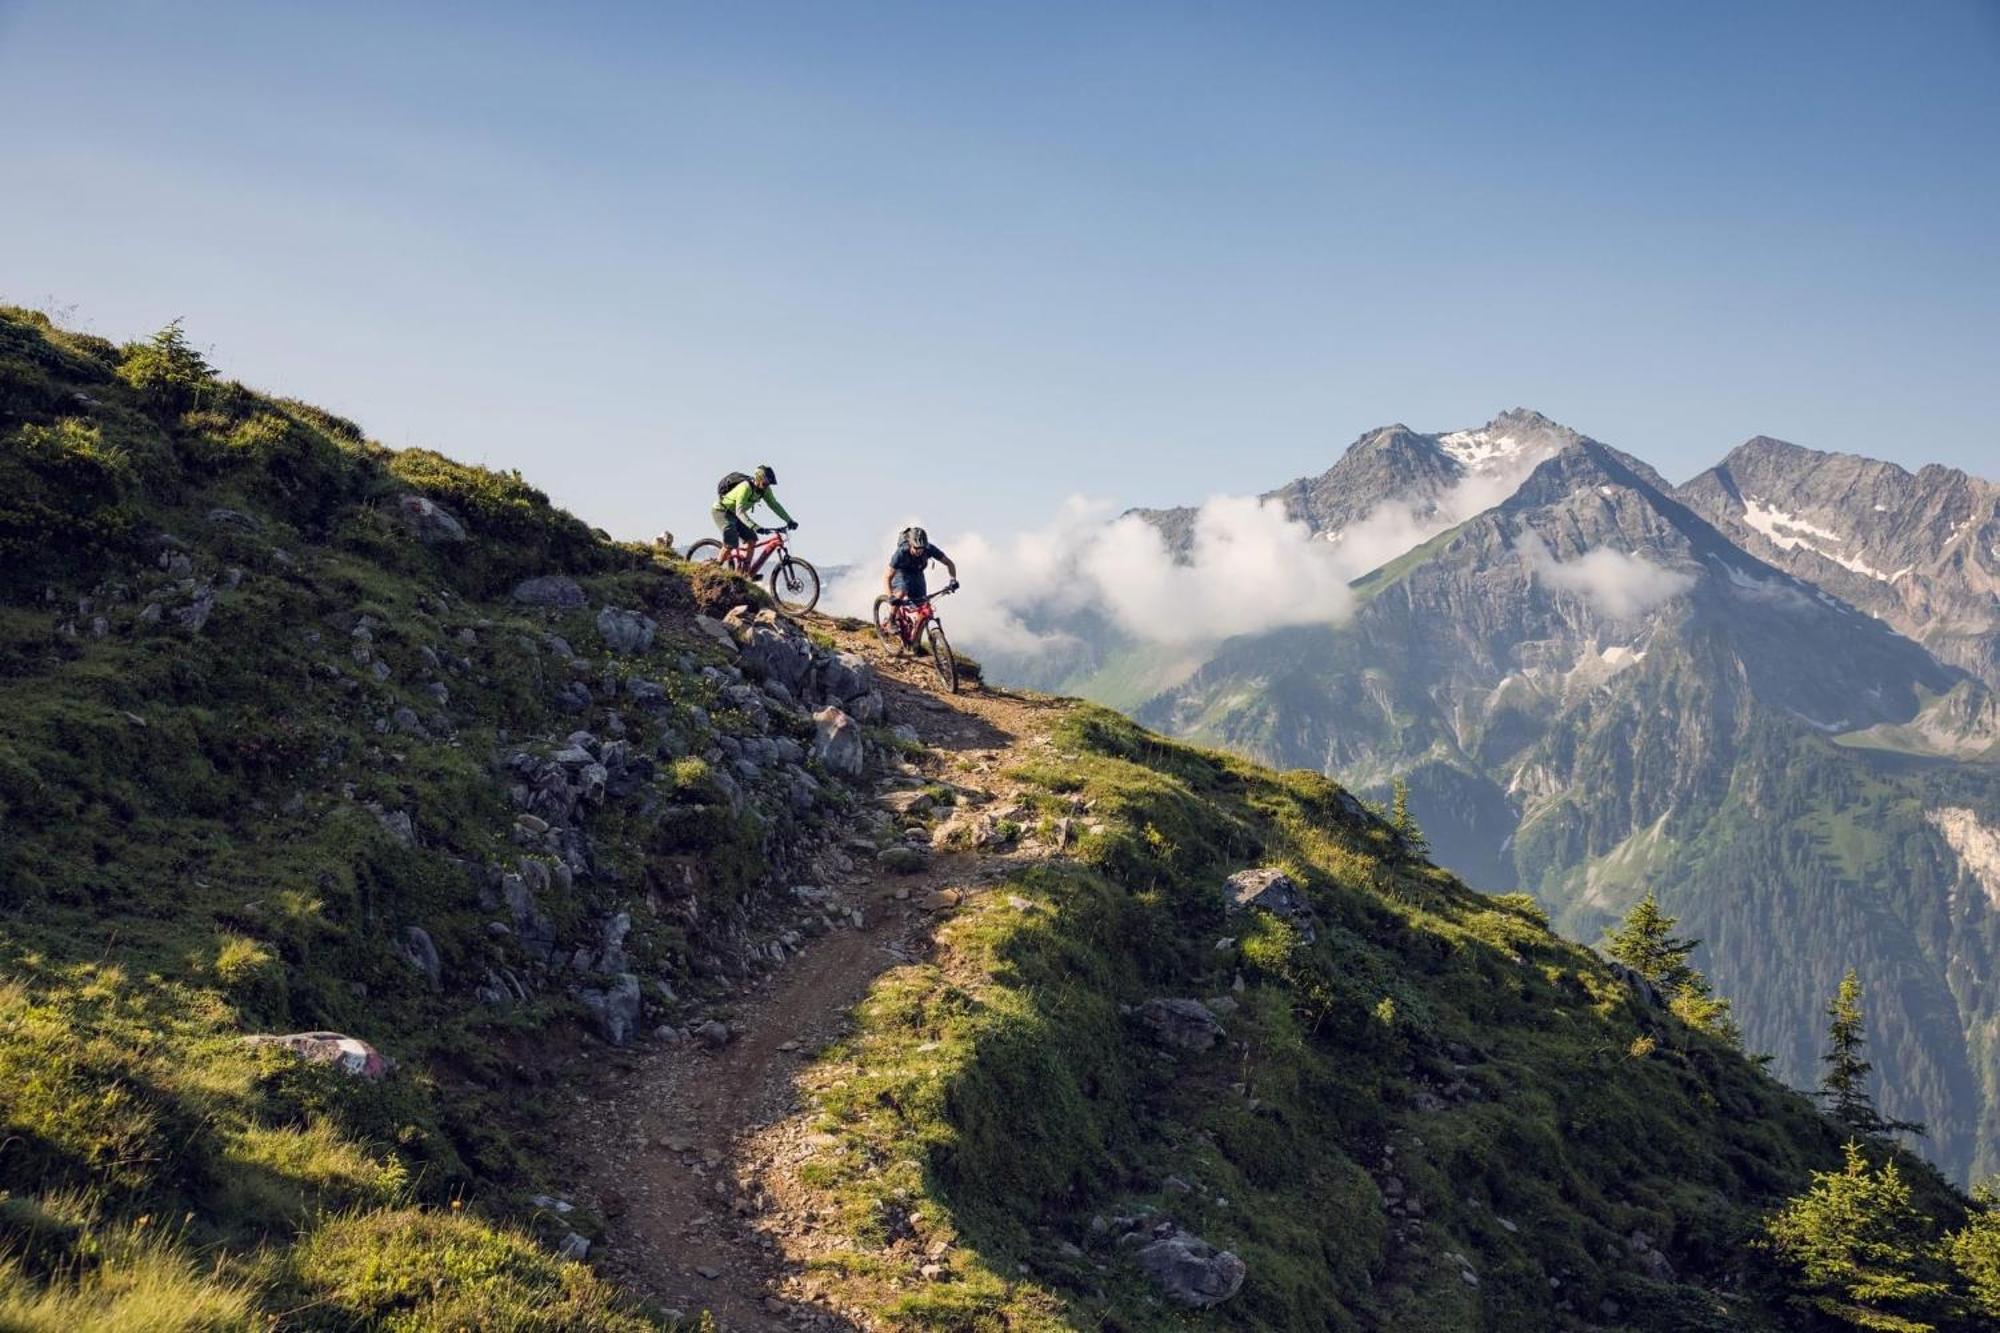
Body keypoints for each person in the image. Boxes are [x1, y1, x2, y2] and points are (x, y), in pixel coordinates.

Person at [712, 465, 796, 559]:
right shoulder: (745, 487)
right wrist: (755, 527)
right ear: (758, 479)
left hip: (736, 515)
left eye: (768, 484)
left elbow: (774, 505)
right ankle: (716, 564)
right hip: (722, 511)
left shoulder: (765, 490)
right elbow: (740, 511)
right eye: (765, 484)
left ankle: (745, 572)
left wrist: (789, 520)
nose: (766, 486)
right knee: (731, 542)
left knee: (752, 539)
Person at [884, 526, 958, 614]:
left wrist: (953, 579)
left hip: (917, 573)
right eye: (916, 548)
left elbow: (949, 563)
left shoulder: (929, 548)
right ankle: (891, 620)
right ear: (910, 544)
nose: (919, 551)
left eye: (921, 548)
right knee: (901, 592)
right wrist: (890, 597)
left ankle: (918, 627)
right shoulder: (901, 553)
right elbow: (887, 577)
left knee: (924, 608)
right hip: (901, 572)